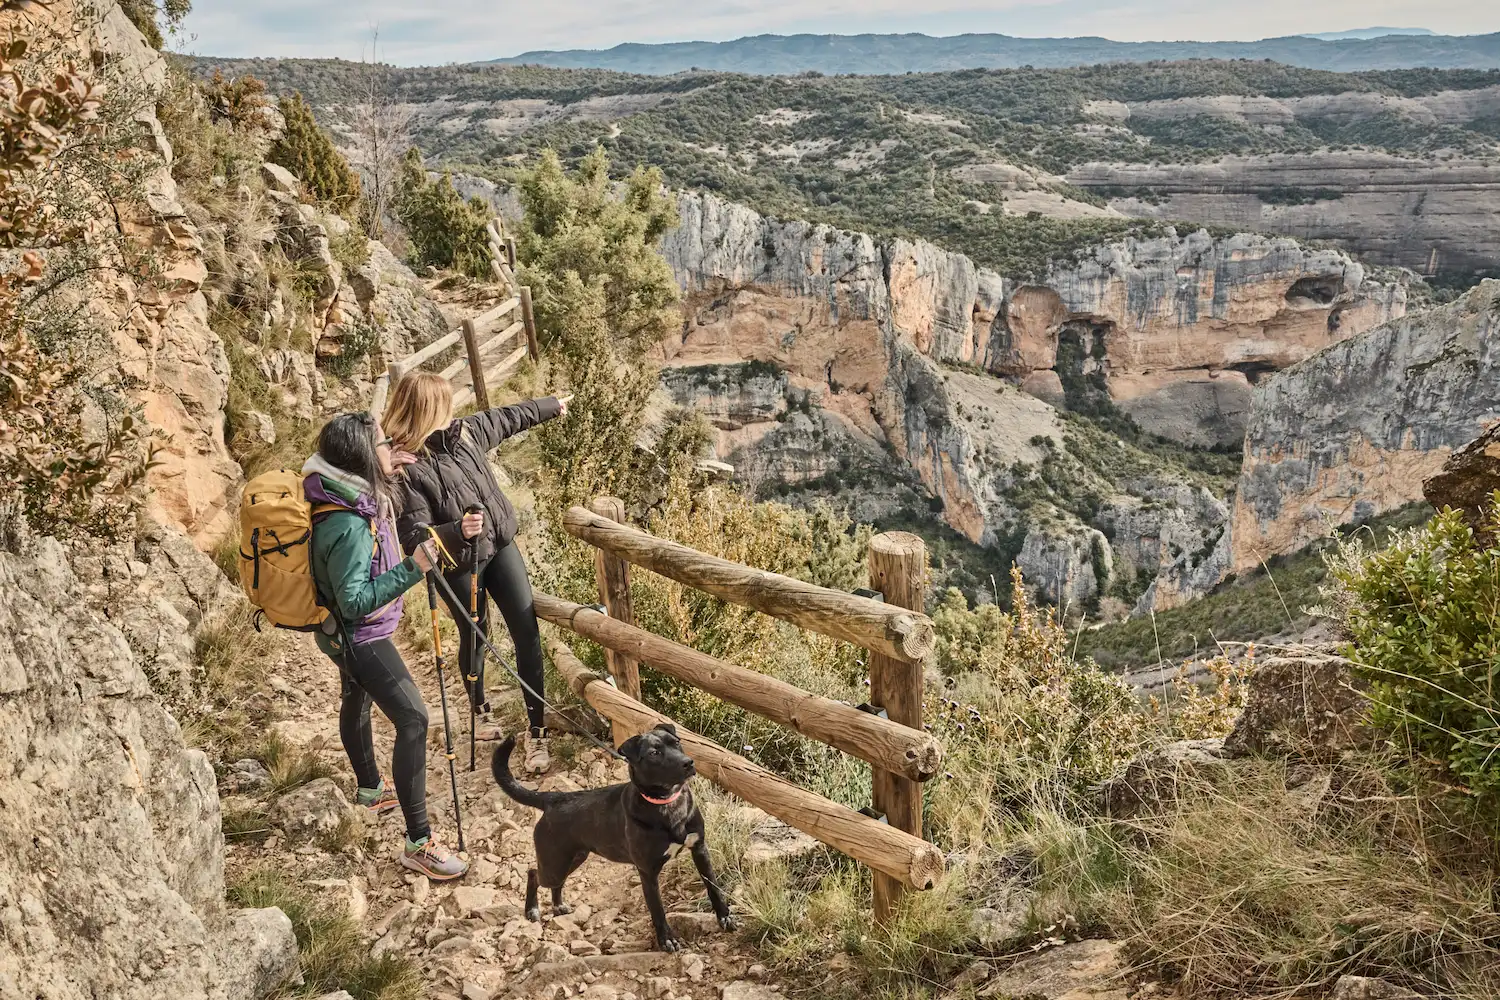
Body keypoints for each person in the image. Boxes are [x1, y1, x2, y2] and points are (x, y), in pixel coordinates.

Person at [304, 411, 469, 881]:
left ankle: (371, 789)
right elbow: (355, 602)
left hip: (335, 634)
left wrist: (386, 465)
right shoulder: (349, 524)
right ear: (360, 457)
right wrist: (413, 567)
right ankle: (419, 843)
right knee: (414, 718)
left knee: (355, 697)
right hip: (360, 635)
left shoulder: (334, 490)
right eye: (381, 445)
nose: (390, 448)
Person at [383, 372, 570, 775]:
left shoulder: (463, 434)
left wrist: (550, 406)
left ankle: (537, 730)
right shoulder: (405, 467)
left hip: (500, 544)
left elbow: (506, 418)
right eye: (445, 404)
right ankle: (480, 708)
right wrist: (455, 531)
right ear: (427, 409)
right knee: (474, 631)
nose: (453, 411)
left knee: (525, 629)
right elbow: (413, 534)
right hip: (457, 561)